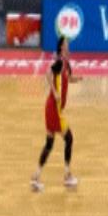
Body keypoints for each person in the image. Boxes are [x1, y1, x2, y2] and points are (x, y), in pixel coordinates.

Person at [31, 37, 83, 192]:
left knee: (49, 144)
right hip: (54, 109)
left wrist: (78, 79)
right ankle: (67, 176)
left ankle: (36, 177)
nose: (68, 46)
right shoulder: (59, 62)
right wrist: (54, 92)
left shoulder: (67, 64)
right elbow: (48, 73)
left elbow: (69, 78)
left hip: (53, 109)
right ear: (61, 48)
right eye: (66, 44)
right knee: (69, 138)